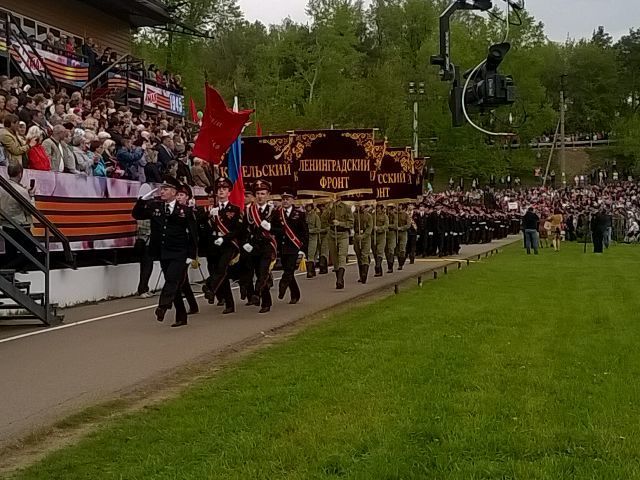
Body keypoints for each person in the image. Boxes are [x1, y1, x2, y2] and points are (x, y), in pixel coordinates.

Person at [131, 176, 198, 328]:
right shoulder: (156, 207)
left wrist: (191, 255)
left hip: (179, 252)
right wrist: (141, 201)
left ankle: (162, 306)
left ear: (174, 192)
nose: (162, 191)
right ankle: (181, 316)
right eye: (162, 188)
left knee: (172, 280)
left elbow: (193, 234)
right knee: (173, 284)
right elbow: (137, 215)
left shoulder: (185, 211)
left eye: (166, 189)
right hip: (163, 252)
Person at [202, 177, 243, 314]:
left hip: (228, 245)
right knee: (220, 275)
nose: (221, 191)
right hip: (213, 246)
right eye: (219, 189)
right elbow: (202, 229)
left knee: (222, 268)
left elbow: (237, 230)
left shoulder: (235, 210)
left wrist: (224, 238)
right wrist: (208, 216)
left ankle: (210, 287)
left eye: (224, 189)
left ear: (229, 192)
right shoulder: (211, 210)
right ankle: (229, 303)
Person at [243, 179, 278, 313]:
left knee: (263, 273)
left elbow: (280, 231)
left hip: (267, 245)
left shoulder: (273, 211)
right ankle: (265, 300)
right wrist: (246, 242)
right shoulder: (249, 210)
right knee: (258, 273)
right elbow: (245, 228)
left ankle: (257, 295)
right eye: (258, 193)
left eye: (263, 193)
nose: (260, 196)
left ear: (268, 194)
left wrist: (271, 228)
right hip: (254, 246)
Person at [0, 164, 36, 271]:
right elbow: (30, 209)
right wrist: (31, 196)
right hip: (20, 225)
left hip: (5, 223)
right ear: (20, 174)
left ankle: (10, 272)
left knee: (11, 253)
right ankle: (8, 268)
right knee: (32, 251)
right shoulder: (21, 191)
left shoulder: (2, 187)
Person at [276, 188, 308, 304]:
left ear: (293, 200)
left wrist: (303, 249)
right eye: (283, 199)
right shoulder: (277, 214)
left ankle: (282, 284)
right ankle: (295, 293)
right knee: (288, 271)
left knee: (289, 270)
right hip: (283, 247)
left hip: (294, 247)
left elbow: (304, 233)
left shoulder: (299, 214)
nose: (285, 201)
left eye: (287, 199)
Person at [322, 197, 354, 289]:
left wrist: (340, 223)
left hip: (343, 234)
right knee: (335, 257)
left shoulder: (346, 208)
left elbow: (351, 223)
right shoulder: (329, 207)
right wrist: (329, 208)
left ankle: (340, 279)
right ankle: (338, 278)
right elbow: (323, 220)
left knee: (342, 256)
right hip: (332, 234)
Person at [353, 203, 373, 284]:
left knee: (364, 255)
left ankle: (364, 275)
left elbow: (369, 228)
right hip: (357, 236)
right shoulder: (354, 215)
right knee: (359, 257)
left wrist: (364, 235)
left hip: (365, 237)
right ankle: (361, 275)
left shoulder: (368, 216)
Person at [305, 202, 322, 278]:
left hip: (313, 238)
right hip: (305, 238)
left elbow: (318, 229)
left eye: (309, 206)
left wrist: (310, 231)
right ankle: (312, 270)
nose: (308, 208)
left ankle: (309, 272)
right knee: (309, 255)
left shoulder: (315, 216)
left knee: (311, 254)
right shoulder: (304, 215)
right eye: (307, 206)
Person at [373, 202, 388, 277]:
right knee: (375, 253)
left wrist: (378, 228)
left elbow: (386, 226)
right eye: (377, 207)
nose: (378, 209)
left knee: (380, 251)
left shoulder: (385, 216)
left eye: (379, 207)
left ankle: (377, 267)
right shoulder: (372, 216)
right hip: (373, 237)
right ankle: (379, 270)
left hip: (381, 236)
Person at [385, 204, 398, 273]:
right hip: (384, 234)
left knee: (390, 249)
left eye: (390, 209)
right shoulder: (384, 216)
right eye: (388, 209)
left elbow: (395, 225)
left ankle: (390, 266)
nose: (388, 210)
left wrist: (387, 226)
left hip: (391, 233)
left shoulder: (394, 216)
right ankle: (388, 264)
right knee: (386, 250)